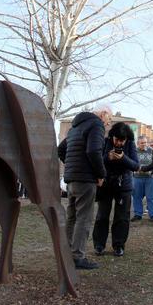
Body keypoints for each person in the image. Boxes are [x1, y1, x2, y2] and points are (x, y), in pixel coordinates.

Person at [57, 104, 110, 270]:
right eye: (108, 119)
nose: (107, 124)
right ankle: (77, 257)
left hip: (71, 180)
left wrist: (72, 165)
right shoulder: (96, 125)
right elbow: (94, 151)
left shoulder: (75, 128)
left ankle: (65, 253)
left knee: (72, 217)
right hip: (85, 180)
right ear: (103, 114)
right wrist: (101, 174)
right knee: (84, 219)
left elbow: (61, 149)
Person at [93, 122, 139, 256]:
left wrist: (123, 158)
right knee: (102, 215)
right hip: (106, 184)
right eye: (117, 140)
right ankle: (99, 244)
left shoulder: (130, 143)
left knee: (122, 217)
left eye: (122, 141)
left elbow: (136, 166)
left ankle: (119, 245)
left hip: (123, 185)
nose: (119, 143)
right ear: (112, 136)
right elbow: (97, 160)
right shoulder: (105, 141)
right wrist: (107, 157)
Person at [131, 135, 153, 222]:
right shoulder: (133, 151)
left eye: (145, 142)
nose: (144, 144)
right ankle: (138, 214)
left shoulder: (152, 151)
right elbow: (130, 163)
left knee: (152, 197)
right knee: (136, 197)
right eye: (142, 143)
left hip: (150, 178)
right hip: (137, 178)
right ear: (138, 143)